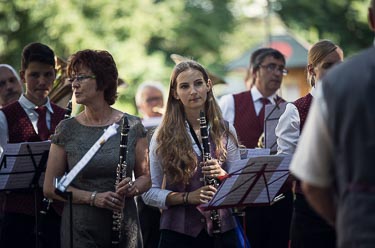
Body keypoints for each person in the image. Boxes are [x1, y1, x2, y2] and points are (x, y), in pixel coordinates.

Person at [43, 49, 151, 248]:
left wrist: (132, 188)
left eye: (81, 77)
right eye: (72, 78)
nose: (74, 84)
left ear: (102, 81)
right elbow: (50, 187)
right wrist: (93, 198)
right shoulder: (66, 128)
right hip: (81, 230)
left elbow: (145, 177)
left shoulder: (133, 125)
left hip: (125, 228)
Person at [290, 1, 375, 247]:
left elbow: (313, 183)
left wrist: (347, 221)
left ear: (370, 18)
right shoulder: (298, 107)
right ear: (312, 69)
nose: (334, 70)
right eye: (327, 65)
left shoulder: (341, 85)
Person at [142, 60, 241, 248]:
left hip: (223, 234)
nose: (193, 91)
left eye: (198, 84)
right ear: (175, 93)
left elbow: (239, 184)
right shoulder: (161, 136)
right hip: (179, 236)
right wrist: (187, 197)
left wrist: (221, 173)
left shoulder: (227, 129)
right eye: (185, 86)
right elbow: (149, 193)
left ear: (208, 85)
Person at [219, 48, 292, 248]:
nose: (277, 73)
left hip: (280, 197)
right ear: (254, 70)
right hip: (243, 198)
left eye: (281, 69)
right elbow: (217, 147)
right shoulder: (230, 102)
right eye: (271, 67)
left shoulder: (289, 108)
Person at [275, 40, 344, 248]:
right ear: (311, 70)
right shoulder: (295, 110)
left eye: (339, 66)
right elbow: (286, 167)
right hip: (311, 210)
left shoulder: (351, 103)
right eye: (328, 66)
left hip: (350, 204)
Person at [0, 42, 66, 248]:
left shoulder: (65, 117)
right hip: (17, 217)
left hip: (55, 215)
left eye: (48, 75)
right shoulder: (4, 116)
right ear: (23, 76)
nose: (42, 82)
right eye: (34, 75)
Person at [135, 80, 165, 248]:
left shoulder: (174, 122)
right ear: (140, 106)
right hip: (145, 192)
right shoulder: (136, 127)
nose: (156, 103)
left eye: (158, 98)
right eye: (150, 100)